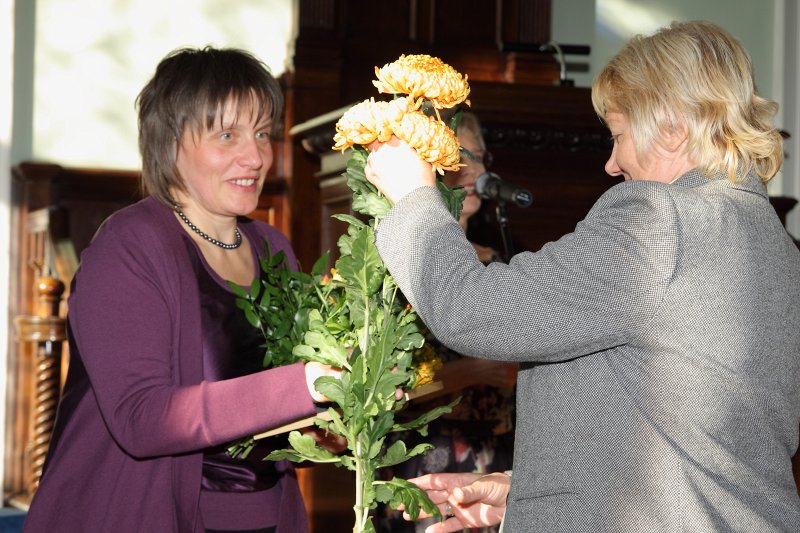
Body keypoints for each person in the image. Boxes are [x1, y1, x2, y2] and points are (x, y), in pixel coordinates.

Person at [364, 20, 800, 533]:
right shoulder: (774, 242)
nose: (612, 163)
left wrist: (414, 198)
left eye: (618, 135)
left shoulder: (662, 218)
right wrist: (534, 498)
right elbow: (688, 433)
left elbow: (471, 311)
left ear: (673, 126)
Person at [23, 46, 339, 533]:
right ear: (170, 142)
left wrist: (329, 429)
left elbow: (272, 419)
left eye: (262, 133)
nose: (255, 156)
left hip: (266, 519)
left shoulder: (273, 247)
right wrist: (304, 385)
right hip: (144, 515)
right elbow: (142, 417)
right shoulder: (130, 246)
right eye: (227, 135)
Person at [376, 112, 517, 533]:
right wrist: (470, 372)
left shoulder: (502, 260)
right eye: (460, 157)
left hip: (502, 459)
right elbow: (375, 393)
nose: (478, 170)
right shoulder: (390, 269)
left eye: (481, 157)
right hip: (425, 458)